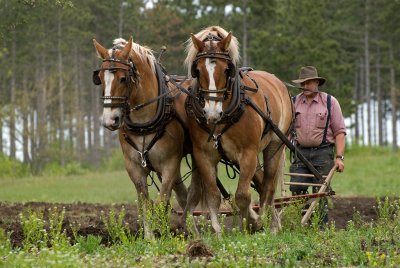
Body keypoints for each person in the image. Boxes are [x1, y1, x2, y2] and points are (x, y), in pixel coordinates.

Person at [290, 66, 346, 226]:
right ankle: (299, 223)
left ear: (317, 83)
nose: (306, 86)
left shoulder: (330, 102)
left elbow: (340, 132)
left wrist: (339, 157)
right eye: (303, 83)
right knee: (295, 187)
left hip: (323, 153)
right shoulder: (294, 102)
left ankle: (321, 227)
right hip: (299, 153)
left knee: (321, 192)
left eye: (309, 82)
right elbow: (287, 131)